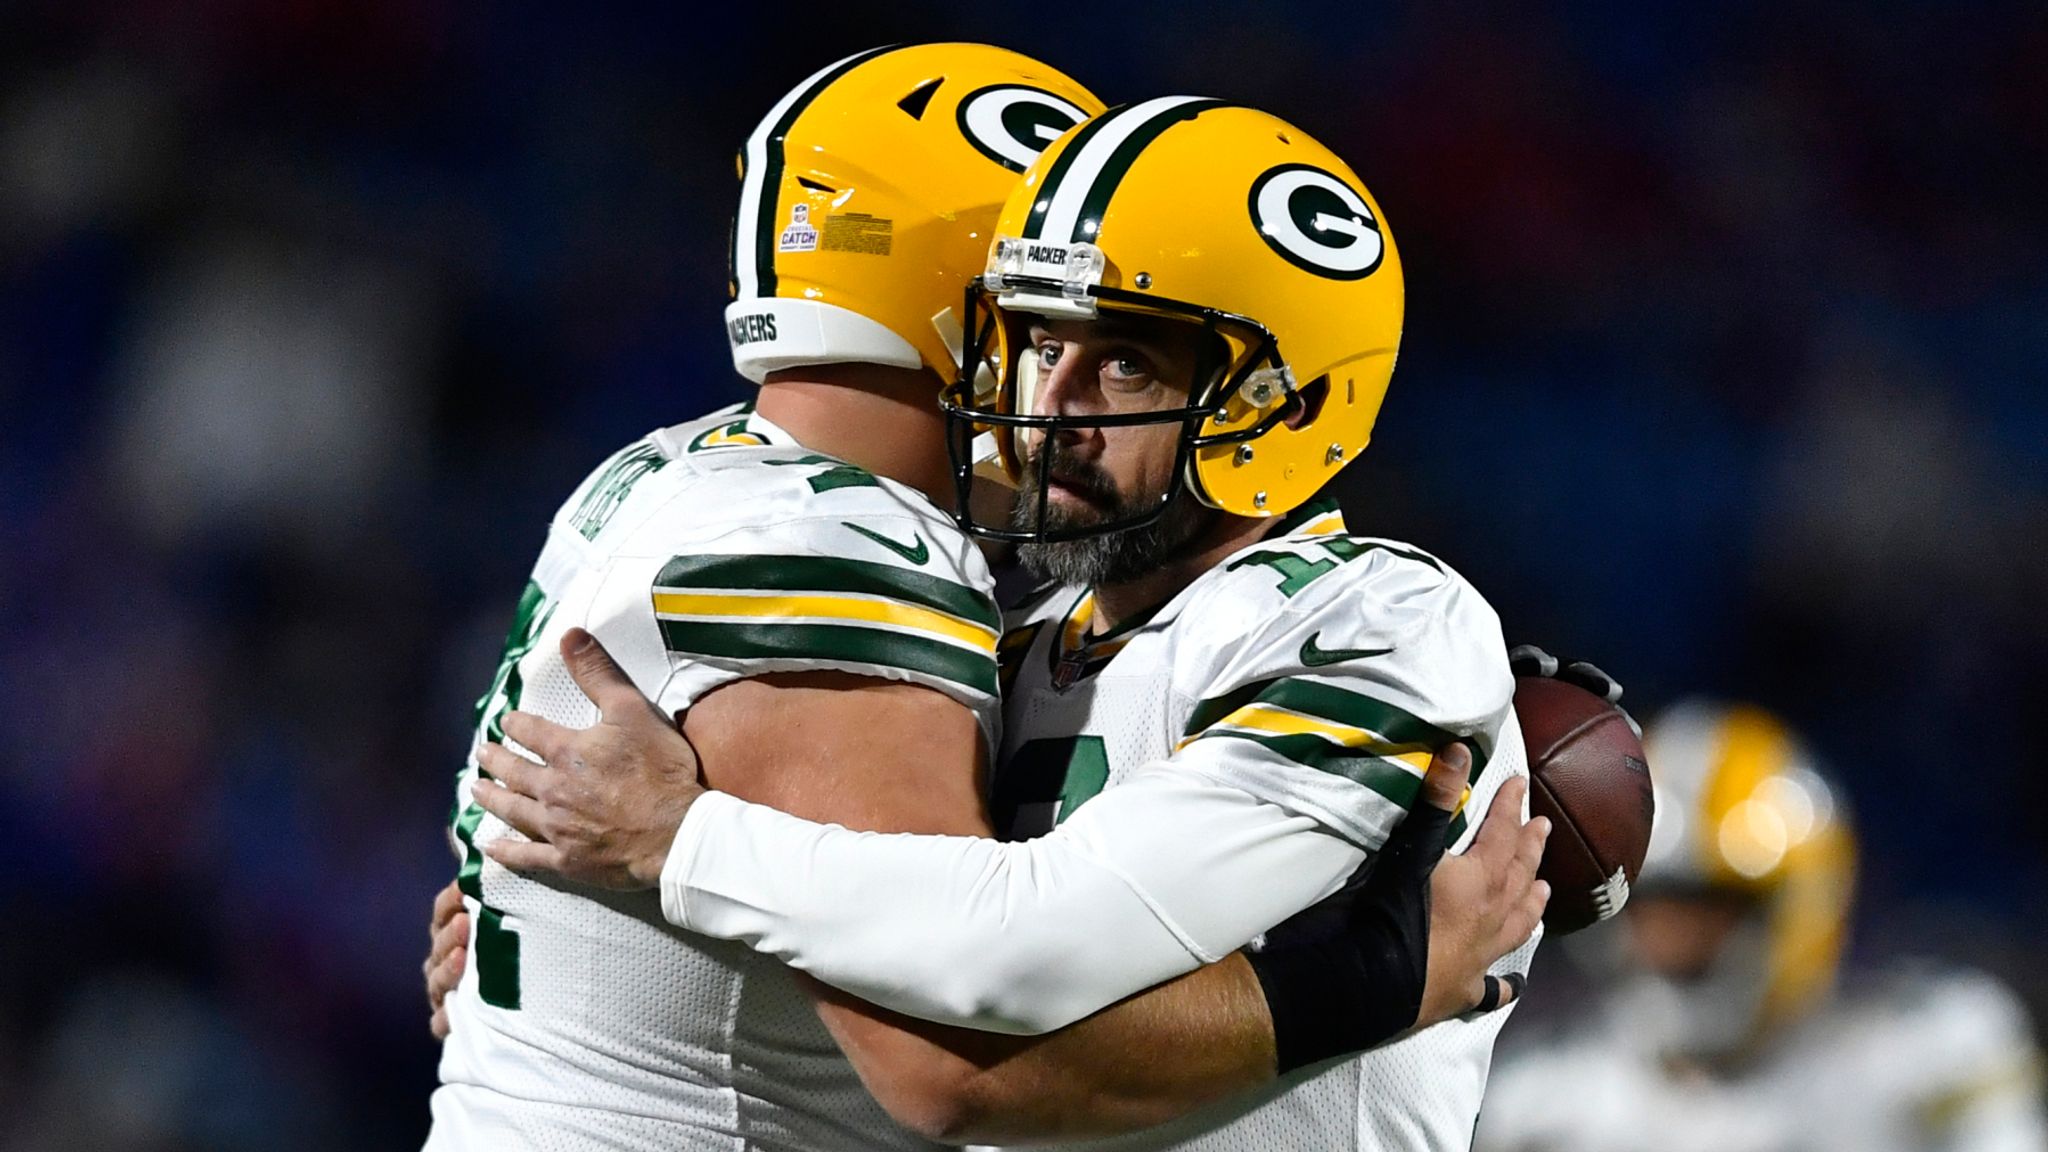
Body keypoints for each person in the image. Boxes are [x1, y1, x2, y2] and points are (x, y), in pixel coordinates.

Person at [427, 48, 1542, 1151]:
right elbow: (953, 1021)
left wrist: (676, 848)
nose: (1043, 411)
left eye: (1124, 367)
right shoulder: (1012, 615)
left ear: (1282, 406)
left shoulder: (1369, 621)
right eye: (1036, 342)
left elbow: (984, 1003)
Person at [1475, 700, 2048, 1152]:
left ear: (1802, 908)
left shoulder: (1929, 1057)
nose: (1670, 942)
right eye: (1650, 909)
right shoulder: (1541, 1105)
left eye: (1709, 911)